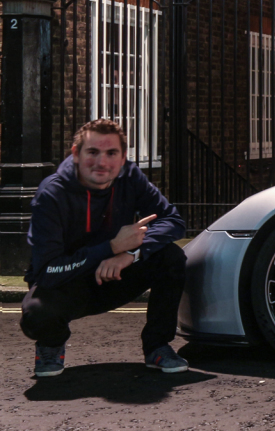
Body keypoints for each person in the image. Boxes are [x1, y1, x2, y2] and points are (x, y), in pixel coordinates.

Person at [21, 119, 189, 377]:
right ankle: (51, 344)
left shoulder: (130, 177)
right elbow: (47, 271)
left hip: (115, 274)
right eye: (92, 152)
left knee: (170, 257)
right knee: (37, 313)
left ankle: (157, 346)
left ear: (122, 159)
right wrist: (110, 247)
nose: (102, 162)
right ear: (76, 154)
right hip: (68, 282)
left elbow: (173, 221)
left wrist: (129, 254)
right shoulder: (51, 194)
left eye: (111, 153)